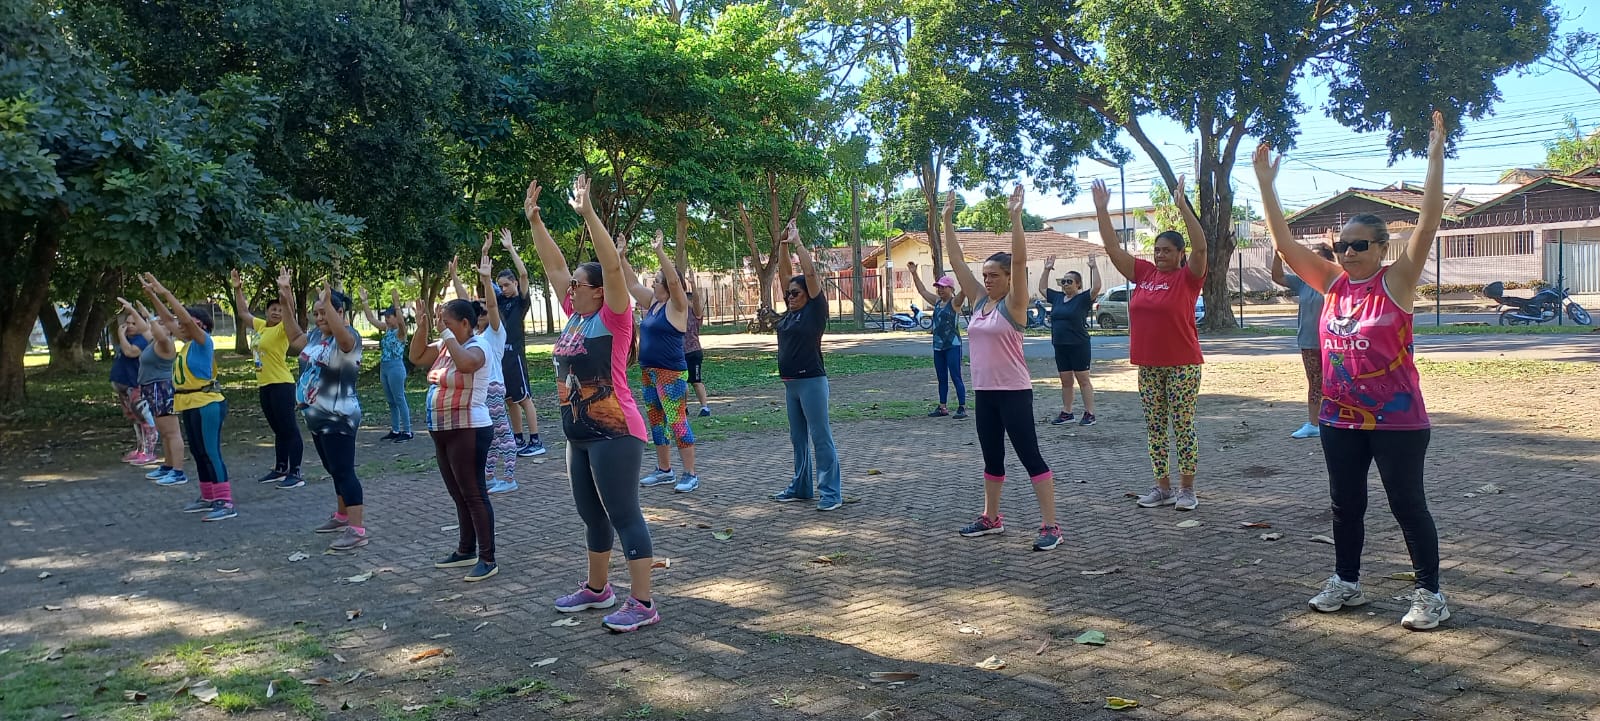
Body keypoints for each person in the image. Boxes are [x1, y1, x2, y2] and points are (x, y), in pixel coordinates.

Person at [1255, 111, 1452, 631]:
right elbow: (1285, 246)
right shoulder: (1332, 283)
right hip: (1340, 419)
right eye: (1341, 246)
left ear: (1382, 249)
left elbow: (1428, 221)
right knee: (1345, 506)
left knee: (1407, 506)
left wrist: (1435, 158)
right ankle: (1347, 581)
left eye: (1358, 246)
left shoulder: (1398, 281)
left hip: (1398, 421)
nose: (1347, 252)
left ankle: (1430, 593)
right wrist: (1265, 188)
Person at [526, 176, 660, 632]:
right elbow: (554, 266)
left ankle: (642, 603)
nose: (570, 290)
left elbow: (612, 268)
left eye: (579, 286)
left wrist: (588, 214)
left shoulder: (613, 315)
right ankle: (598, 589)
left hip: (616, 432)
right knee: (591, 515)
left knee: (623, 513)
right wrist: (535, 221)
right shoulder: (576, 318)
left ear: (598, 290)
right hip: (578, 436)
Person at [943, 187, 1061, 551]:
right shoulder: (979, 302)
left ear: (1009, 278)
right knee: (992, 458)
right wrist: (946, 220)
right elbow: (958, 262)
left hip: (1014, 393)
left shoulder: (1014, 304)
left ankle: (1051, 526)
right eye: (986, 274)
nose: (988, 279)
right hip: (986, 393)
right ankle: (991, 518)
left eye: (995, 274)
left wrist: (1015, 218)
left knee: (1030, 456)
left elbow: (1022, 260)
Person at [1095, 177, 1207, 512]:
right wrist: (1102, 210)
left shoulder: (1188, 278)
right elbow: (1114, 250)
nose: (1160, 255)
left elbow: (1201, 248)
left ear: (1179, 254)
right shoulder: (1144, 274)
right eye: (1157, 250)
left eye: (1167, 251)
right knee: (1155, 427)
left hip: (1183, 364)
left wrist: (1183, 205)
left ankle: (1187, 490)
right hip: (1148, 365)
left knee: (1182, 426)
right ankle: (1163, 488)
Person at [410, 274, 500, 583]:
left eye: (447, 322)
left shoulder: (480, 346)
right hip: (443, 430)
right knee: (458, 494)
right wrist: (422, 325)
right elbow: (417, 356)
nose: (442, 326)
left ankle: (487, 558)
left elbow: (465, 365)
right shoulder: (447, 344)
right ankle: (465, 550)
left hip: (469, 430)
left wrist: (445, 336)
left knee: (474, 494)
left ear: (464, 323)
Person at [280, 274, 369, 550]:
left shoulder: (349, 336)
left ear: (340, 312)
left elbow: (343, 342)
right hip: (317, 416)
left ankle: (357, 530)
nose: (319, 318)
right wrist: (285, 299)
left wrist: (329, 303)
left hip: (338, 415)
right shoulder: (318, 335)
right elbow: (294, 336)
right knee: (333, 469)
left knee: (343, 470)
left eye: (325, 312)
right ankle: (342, 515)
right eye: (316, 313)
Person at [140, 273, 235, 521]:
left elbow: (179, 317)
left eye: (187, 322)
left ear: (199, 325)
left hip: (207, 403)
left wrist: (164, 292)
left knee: (211, 451)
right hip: (189, 402)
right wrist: (151, 295)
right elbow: (171, 320)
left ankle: (225, 502)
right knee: (199, 451)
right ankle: (208, 496)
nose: (178, 325)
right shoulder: (187, 343)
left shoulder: (204, 341)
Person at [767, 219, 843, 512]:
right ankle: (801, 487)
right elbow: (786, 274)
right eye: (787, 294)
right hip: (790, 384)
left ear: (808, 294)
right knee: (798, 438)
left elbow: (808, 272)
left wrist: (798, 242)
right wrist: (783, 245)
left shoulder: (815, 310)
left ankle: (831, 493)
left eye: (795, 293)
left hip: (812, 381)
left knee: (820, 437)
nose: (789, 297)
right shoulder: (789, 314)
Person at [623, 230, 701, 493]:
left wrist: (659, 251)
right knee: (656, 420)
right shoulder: (654, 302)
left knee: (677, 420)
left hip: (671, 374)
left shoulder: (677, 305)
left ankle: (690, 473)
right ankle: (664, 469)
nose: (652, 283)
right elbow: (632, 284)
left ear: (667, 284)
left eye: (657, 280)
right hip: (650, 371)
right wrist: (621, 256)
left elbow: (676, 283)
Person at [451, 244, 519, 495]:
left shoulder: (495, 332)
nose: (478, 313)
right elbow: (464, 305)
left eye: (481, 311)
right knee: (487, 436)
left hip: (492, 389)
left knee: (502, 434)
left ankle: (509, 477)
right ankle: (488, 476)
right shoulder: (477, 336)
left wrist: (487, 279)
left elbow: (490, 307)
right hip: (478, 391)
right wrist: (455, 278)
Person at [231, 269, 306, 488]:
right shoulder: (262, 327)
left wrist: (286, 289)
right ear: (266, 312)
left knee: (289, 428)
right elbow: (243, 313)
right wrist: (238, 289)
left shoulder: (284, 328)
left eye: (279, 309)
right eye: (272, 309)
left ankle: (296, 472)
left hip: (282, 383)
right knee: (278, 429)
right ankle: (280, 468)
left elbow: (290, 309)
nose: (276, 312)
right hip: (265, 384)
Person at [1271, 244, 1337, 439]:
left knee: (1337, 383)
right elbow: (1278, 277)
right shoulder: (1303, 282)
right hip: (1309, 342)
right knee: (1315, 382)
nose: (1312, 262)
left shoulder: (1335, 281)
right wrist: (1277, 253)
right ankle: (1314, 423)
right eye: (1310, 258)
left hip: (1334, 343)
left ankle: (1336, 421)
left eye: (1317, 258)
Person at [116, 297, 184, 484]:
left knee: (172, 432)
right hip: (151, 389)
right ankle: (168, 466)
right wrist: (132, 309)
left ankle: (178, 471)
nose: (156, 326)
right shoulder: (153, 342)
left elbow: (154, 329)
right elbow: (146, 328)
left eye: (162, 323)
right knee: (164, 432)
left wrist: (149, 315)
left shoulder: (166, 343)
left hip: (161, 390)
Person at [492, 228, 546, 458]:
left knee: (524, 399)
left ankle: (535, 440)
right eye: (500, 286)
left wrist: (511, 248)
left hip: (515, 357)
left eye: (506, 284)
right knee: (510, 400)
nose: (503, 289)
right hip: (501, 358)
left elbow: (524, 275)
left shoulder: (520, 302)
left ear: (513, 283)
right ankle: (517, 438)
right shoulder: (500, 302)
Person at [1038, 255, 1102, 426]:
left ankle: (1089, 413)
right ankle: (1067, 412)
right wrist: (1047, 269)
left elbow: (1096, 287)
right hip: (1060, 345)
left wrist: (1094, 267)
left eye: (1069, 281)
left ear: (1078, 285)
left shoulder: (1082, 299)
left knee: (1083, 379)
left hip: (1078, 345)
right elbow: (1042, 288)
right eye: (1063, 281)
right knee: (1066, 381)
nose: (1065, 284)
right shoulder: (1058, 298)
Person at [906, 259, 967, 419]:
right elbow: (922, 291)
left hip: (953, 345)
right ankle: (942, 407)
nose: (939, 290)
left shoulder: (955, 303)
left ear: (951, 288)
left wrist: (963, 272)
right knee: (941, 377)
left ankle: (962, 407)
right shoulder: (937, 302)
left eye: (942, 287)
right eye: (938, 287)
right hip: (938, 346)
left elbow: (965, 290)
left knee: (955, 375)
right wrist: (914, 273)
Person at [360, 286, 413, 442]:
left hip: (396, 367)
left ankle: (407, 431)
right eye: (386, 316)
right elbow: (371, 319)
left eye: (390, 316)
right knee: (391, 401)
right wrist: (364, 301)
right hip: (385, 367)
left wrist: (397, 303)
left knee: (399, 398)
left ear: (396, 317)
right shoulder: (387, 329)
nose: (387, 319)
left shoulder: (400, 332)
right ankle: (395, 430)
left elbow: (402, 323)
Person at [111, 311, 158, 465]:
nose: (129, 326)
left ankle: (149, 452)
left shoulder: (141, 340)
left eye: (134, 323)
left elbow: (130, 352)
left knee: (144, 417)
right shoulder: (129, 339)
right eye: (128, 323)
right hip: (125, 388)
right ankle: (140, 449)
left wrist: (121, 336)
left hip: (136, 386)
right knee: (135, 419)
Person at [683, 282, 711, 417]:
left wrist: (693, 285)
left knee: (696, 381)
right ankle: (684, 407)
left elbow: (697, 299)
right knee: (682, 382)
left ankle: (704, 407)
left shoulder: (695, 314)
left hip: (693, 351)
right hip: (680, 352)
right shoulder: (678, 312)